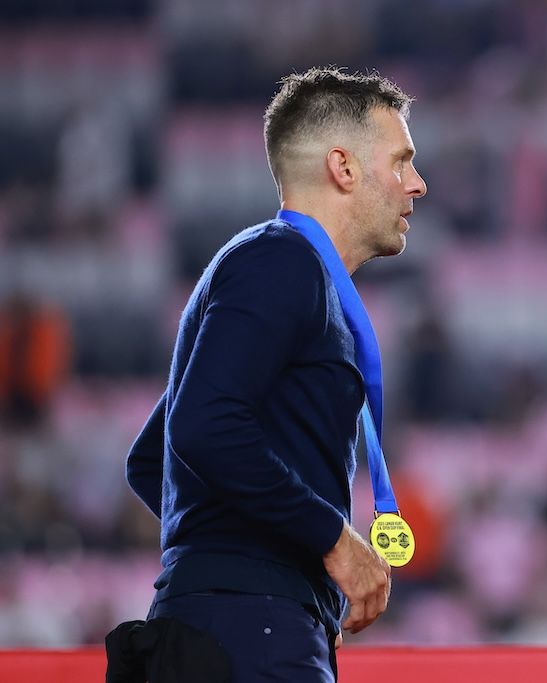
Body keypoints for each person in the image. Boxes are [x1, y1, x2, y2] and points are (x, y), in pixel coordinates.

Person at [120, 67, 427, 682]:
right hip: (252, 629)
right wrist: (328, 543)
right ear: (342, 168)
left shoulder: (276, 267)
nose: (416, 185)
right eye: (400, 162)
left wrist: (235, 553)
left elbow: (154, 457)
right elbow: (202, 427)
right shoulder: (280, 263)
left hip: (240, 621)